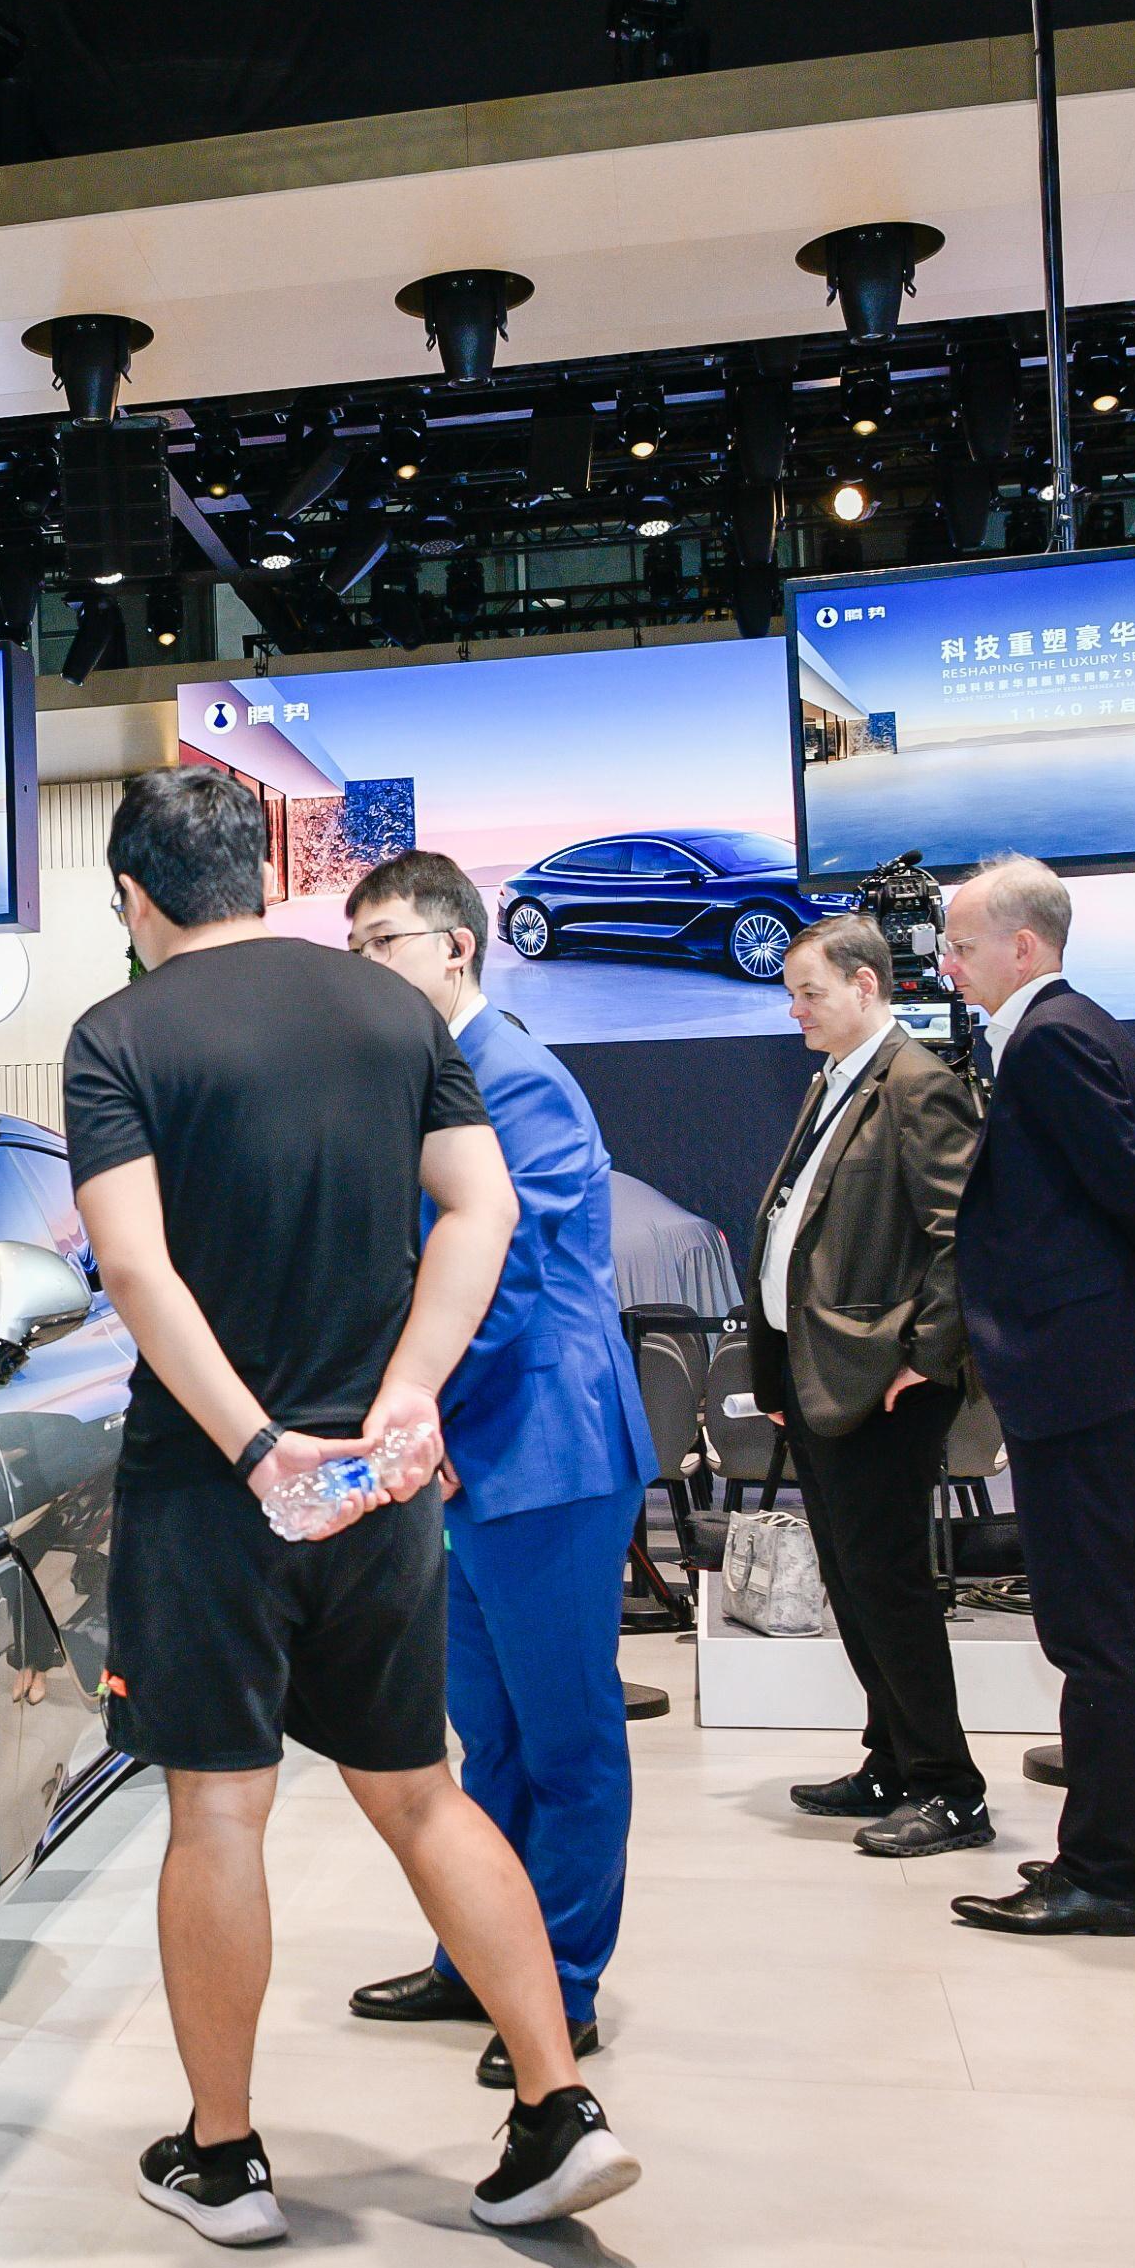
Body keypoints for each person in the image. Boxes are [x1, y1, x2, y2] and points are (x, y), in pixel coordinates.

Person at [66, 766, 637, 2245]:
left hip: (214, 1488)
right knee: (422, 1790)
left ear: (133, 896)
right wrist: (410, 1393)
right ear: (263, 879)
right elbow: (484, 1205)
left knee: (219, 1806)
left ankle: (223, 2155)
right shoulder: (392, 1012)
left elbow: (133, 1266)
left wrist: (258, 1444)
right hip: (381, 1483)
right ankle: (558, 2104)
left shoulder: (119, 1033)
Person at [332, 850, 656, 2088]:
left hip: (540, 1449)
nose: (364, 966)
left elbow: (503, 1279)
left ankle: (557, 1989)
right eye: (353, 947)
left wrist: (423, 1420)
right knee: (489, 1735)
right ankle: (479, 1958)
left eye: (383, 942)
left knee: (566, 1736)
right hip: (461, 1454)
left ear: (455, 945)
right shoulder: (425, 1078)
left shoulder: (514, 1079)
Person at [938, 856, 1135, 1937]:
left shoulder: (1051, 1039)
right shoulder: (1083, 1030)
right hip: (1099, 1362)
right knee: (1134, 1613)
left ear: (1022, 946)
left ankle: (1102, 1872)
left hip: (1074, 1368)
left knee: (1093, 1626)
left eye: (961, 944)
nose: (946, 962)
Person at [745, 916, 992, 1859]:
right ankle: (891, 1759)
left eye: (809, 993)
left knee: (888, 1584)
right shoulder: (835, 1080)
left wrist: (925, 1356)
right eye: (792, 995)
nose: (796, 1011)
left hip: (882, 1381)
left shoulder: (919, 1084)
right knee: (853, 1581)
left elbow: (961, 1235)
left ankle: (950, 1789)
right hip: (820, 1374)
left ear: (865, 986)